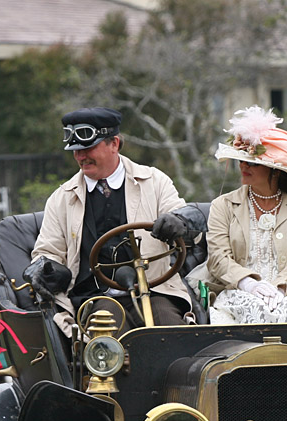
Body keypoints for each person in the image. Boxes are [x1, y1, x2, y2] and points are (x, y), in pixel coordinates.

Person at [25, 107, 202, 335]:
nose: (80, 157)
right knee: (108, 339)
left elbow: (184, 220)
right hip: (94, 297)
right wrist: (44, 267)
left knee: (172, 335)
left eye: (88, 148)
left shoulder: (154, 182)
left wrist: (179, 222)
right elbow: (47, 251)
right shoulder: (62, 198)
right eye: (75, 150)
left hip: (155, 289)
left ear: (114, 144)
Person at [201, 106, 287, 325]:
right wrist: (248, 284)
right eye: (241, 160)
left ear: (275, 169)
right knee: (256, 310)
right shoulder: (223, 205)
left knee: (282, 312)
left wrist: (280, 289)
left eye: (252, 162)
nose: (243, 166)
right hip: (237, 291)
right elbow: (218, 257)